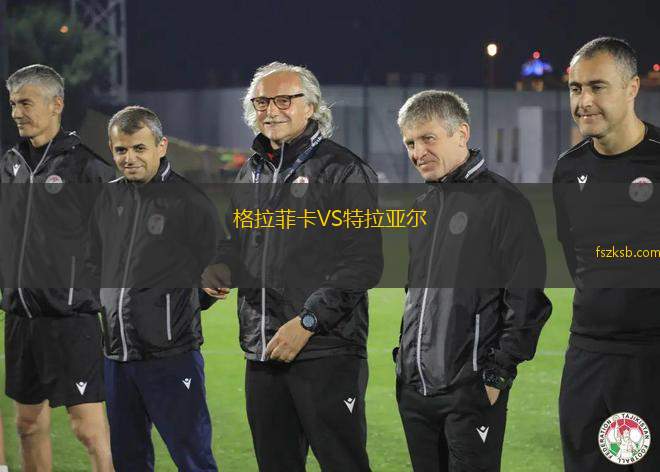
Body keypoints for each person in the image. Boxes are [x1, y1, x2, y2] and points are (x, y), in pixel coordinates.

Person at [203, 62, 383, 472]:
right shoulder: (251, 171)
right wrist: (219, 268)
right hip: (262, 351)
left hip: (326, 350)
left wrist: (308, 321)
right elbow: (236, 242)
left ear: (311, 107)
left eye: (284, 100)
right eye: (262, 102)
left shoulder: (343, 170)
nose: (271, 110)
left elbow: (363, 261)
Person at [393, 90, 552, 471]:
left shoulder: (503, 202)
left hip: (471, 392)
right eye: (410, 143)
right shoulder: (422, 207)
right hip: (415, 391)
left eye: (428, 138)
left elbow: (526, 298)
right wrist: (404, 362)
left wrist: (498, 374)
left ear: (461, 133)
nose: (418, 152)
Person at [87, 106, 219, 471]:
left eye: (139, 148)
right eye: (121, 150)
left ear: (161, 146)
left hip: (171, 355)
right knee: (129, 460)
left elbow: (219, 263)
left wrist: (185, 304)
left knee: (193, 458)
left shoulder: (189, 200)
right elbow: (93, 264)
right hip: (117, 357)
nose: (129, 158)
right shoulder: (107, 199)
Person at [554, 37, 660, 471]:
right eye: (576, 88)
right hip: (587, 356)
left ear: (632, 87)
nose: (584, 101)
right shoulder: (568, 168)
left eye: (597, 87)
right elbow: (573, 256)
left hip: (651, 358)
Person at [0, 64, 113, 472]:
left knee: (88, 431)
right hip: (20, 318)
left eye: (26, 103)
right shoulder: (10, 163)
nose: (17, 112)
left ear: (56, 104)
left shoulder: (86, 166)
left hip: (70, 319)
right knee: (28, 425)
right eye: (13, 104)